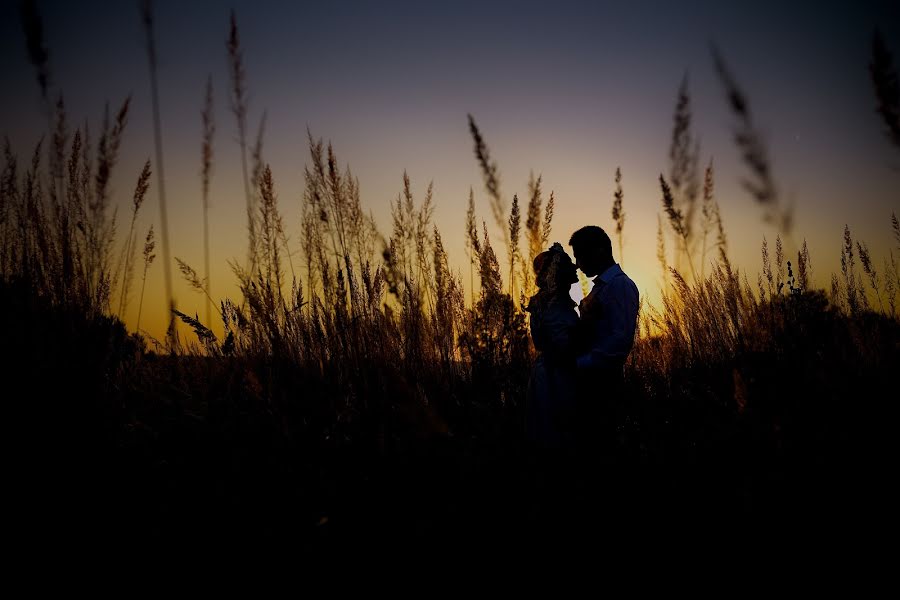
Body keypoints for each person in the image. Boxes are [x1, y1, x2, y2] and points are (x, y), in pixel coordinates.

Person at [568, 225, 639, 459]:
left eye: (580, 254)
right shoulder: (601, 287)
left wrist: (580, 364)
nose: (577, 263)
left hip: (604, 385)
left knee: (602, 451)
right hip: (590, 383)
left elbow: (620, 340)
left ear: (599, 250)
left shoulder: (620, 286)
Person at [524, 242, 580, 452]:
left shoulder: (545, 302)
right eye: (568, 271)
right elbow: (562, 345)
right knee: (558, 429)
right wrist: (587, 326)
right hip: (557, 373)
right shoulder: (553, 305)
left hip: (548, 369)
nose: (574, 273)